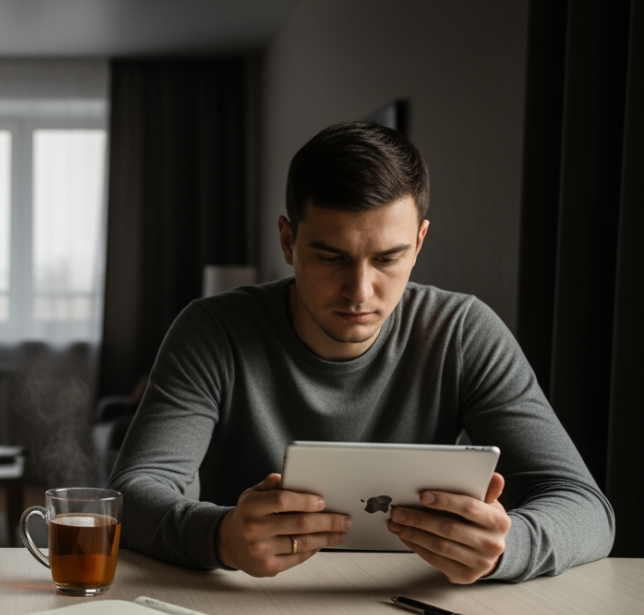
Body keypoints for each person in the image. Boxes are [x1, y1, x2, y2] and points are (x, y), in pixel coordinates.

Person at [108, 121, 614, 585]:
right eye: (331, 257)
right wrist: (221, 536)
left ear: (419, 243)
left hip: (411, 604)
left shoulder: (464, 333)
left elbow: (587, 508)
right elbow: (132, 492)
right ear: (288, 241)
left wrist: (507, 546)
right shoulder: (212, 331)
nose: (360, 291)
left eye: (389, 259)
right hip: (250, 603)